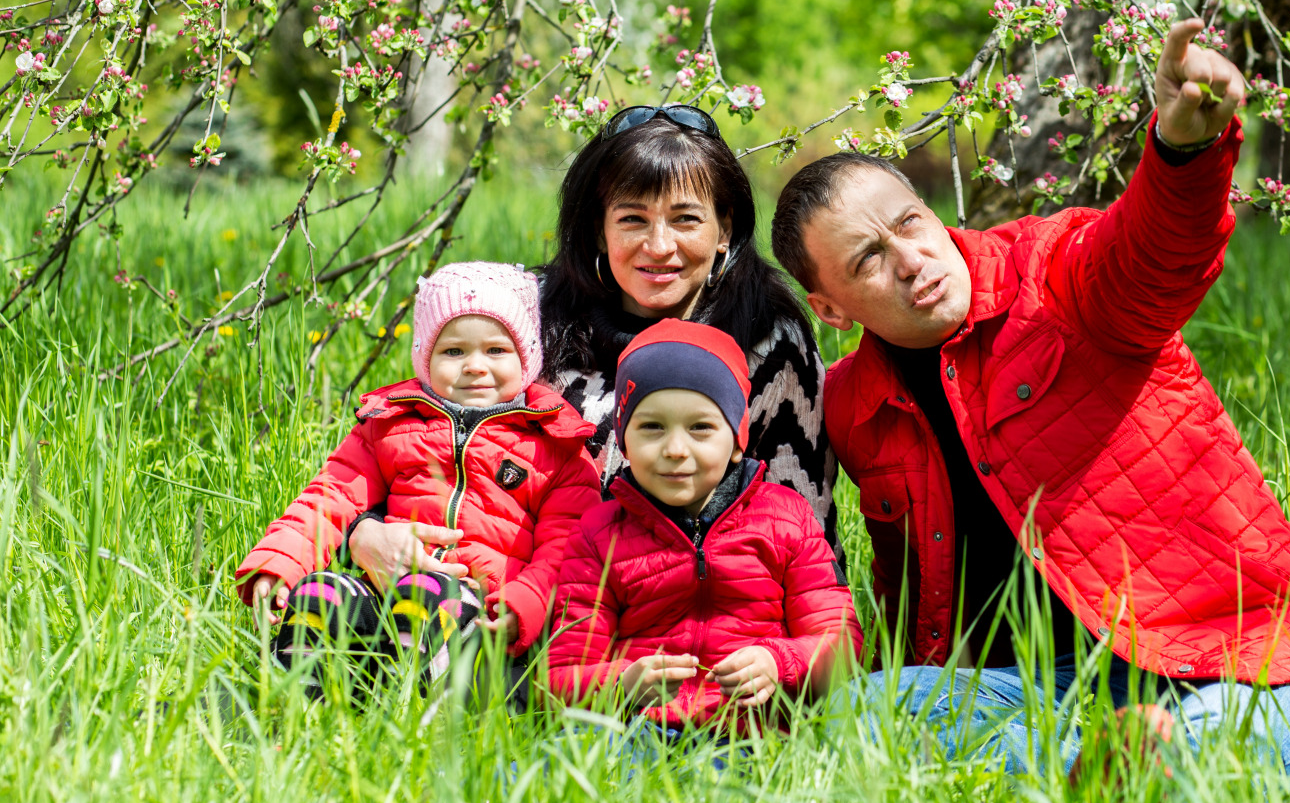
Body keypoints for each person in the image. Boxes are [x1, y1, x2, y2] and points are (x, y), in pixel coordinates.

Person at [768, 19, 1290, 776]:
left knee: (1227, 746)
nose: (911, 260)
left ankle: (1122, 770)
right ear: (830, 310)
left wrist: (1182, 153)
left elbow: (1150, 257)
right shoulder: (853, 407)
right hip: (1035, 681)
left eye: (911, 223)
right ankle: (1098, 767)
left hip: (1221, 644)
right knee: (857, 713)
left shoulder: (1052, 271)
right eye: (868, 259)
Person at [345, 105, 841, 597]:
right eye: (632, 219)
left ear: (724, 230)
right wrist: (362, 531)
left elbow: (805, 551)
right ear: (598, 229)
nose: (659, 245)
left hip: (686, 626)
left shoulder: (767, 338)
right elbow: (415, 439)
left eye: (685, 218)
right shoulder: (528, 317)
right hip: (494, 592)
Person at [235, 262, 599, 696]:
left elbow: (567, 548)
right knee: (323, 594)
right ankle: (293, 706)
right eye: (454, 352)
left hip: (482, 610)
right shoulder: (390, 425)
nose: (475, 367)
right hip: (382, 588)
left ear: (527, 356)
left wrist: (525, 604)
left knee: (430, 597)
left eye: (496, 351)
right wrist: (277, 565)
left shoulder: (553, 445)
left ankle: (417, 718)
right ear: (425, 356)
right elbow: (329, 497)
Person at [547, 320, 862, 742]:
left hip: (758, 735)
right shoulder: (599, 535)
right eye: (652, 427)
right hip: (640, 733)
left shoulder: (787, 518)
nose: (676, 449)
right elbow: (558, 678)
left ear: (736, 441)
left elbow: (841, 643)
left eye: (700, 428)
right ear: (623, 442)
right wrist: (623, 683)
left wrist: (779, 661)